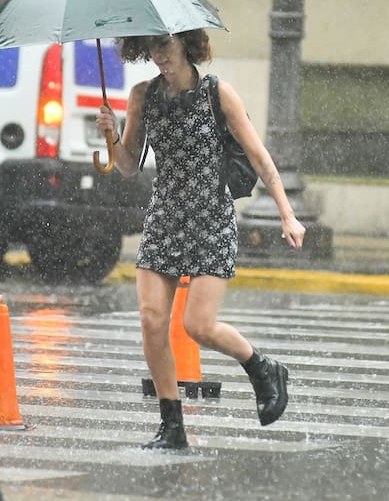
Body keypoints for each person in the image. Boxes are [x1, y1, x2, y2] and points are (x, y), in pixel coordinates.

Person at [95, 30, 307, 450]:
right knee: (151, 321)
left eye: (166, 46)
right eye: (152, 47)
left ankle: (262, 369)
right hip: (165, 218)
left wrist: (287, 213)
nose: (160, 55)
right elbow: (126, 167)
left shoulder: (218, 94)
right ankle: (172, 426)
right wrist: (112, 133)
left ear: (186, 44)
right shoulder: (143, 95)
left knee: (198, 325)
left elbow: (260, 157)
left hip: (211, 218)